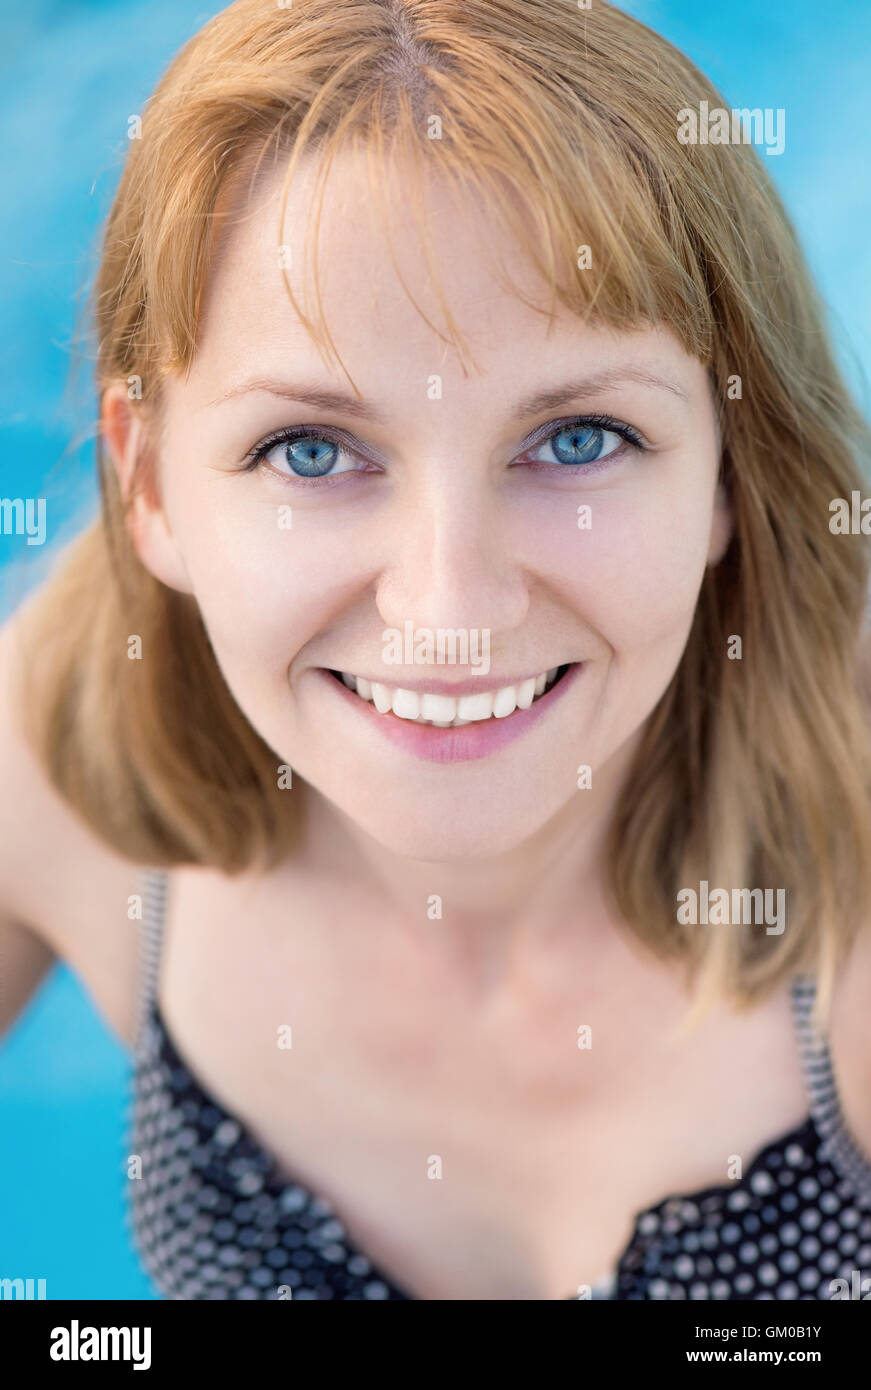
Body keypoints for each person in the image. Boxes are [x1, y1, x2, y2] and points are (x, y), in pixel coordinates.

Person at [1, 0, 870, 1301]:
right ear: (152, 490)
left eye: (577, 438)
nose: (450, 605)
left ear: (731, 476)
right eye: (311, 450)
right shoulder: (57, 746)